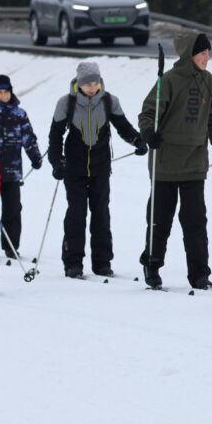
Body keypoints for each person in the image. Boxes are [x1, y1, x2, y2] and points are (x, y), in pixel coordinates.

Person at [138, 32, 212, 290]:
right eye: (203, 53)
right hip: (165, 163)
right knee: (160, 220)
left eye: (208, 53)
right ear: (190, 54)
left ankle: (200, 274)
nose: (207, 58)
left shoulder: (210, 82)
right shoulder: (169, 80)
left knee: (195, 222)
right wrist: (148, 134)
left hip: (194, 163)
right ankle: (152, 264)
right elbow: (147, 113)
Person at [48, 62, 146, 279]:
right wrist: (57, 162)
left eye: (95, 83)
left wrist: (137, 141)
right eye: (88, 84)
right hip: (74, 169)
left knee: (101, 214)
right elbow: (55, 137)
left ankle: (102, 262)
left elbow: (123, 126)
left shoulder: (109, 101)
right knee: (76, 214)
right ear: (79, 84)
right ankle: (73, 262)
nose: (92, 88)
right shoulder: (67, 103)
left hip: (101, 168)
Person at [0, 74, 43, 259]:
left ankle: (11, 245)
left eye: (6, 92)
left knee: (13, 209)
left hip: (12, 171)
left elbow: (28, 137)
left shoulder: (19, 114)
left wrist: (35, 156)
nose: (3, 95)